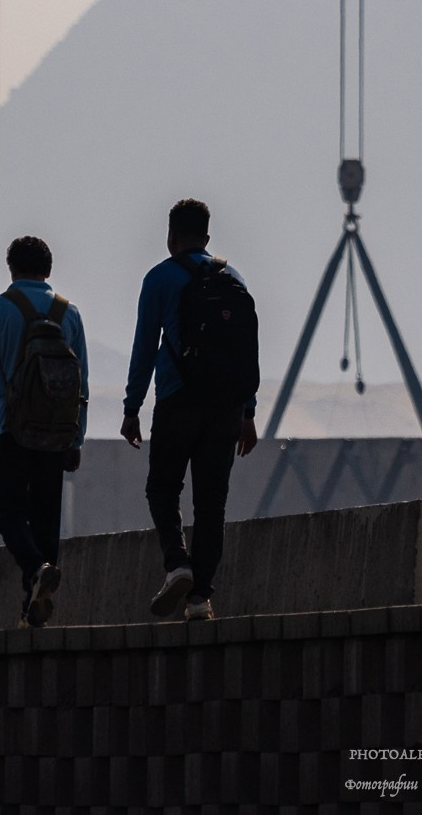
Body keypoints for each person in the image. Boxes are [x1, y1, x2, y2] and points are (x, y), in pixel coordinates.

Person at [120, 197, 260, 621]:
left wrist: (132, 407)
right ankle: (200, 599)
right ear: (207, 236)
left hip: (178, 400)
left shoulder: (159, 278)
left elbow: (145, 346)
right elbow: (246, 351)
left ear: (171, 236)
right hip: (227, 407)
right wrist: (248, 412)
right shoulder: (233, 277)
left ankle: (177, 564)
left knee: (162, 488)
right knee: (211, 502)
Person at [0, 234, 90, 627]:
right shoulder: (69, 313)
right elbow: (81, 384)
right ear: (48, 269)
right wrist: (76, 438)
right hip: (56, 433)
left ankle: (35, 571)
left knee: (11, 515)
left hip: (12, 429)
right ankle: (32, 606)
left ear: (11, 269)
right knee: (46, 518)